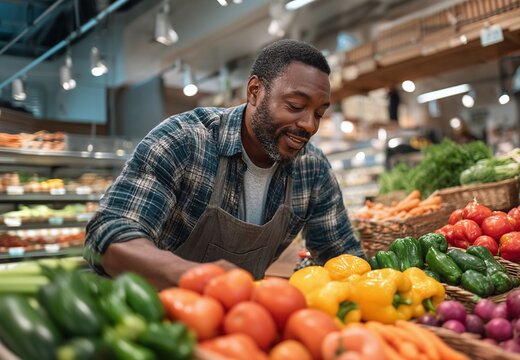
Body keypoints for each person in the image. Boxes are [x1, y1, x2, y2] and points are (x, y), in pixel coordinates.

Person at [84, 39, 365, 288]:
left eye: (319, 113)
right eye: (294, 106)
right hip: (152, 319)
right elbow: (109, 235)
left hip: (236, 323)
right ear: (255, 91)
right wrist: (196, 277)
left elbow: (341, 256)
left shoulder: (311, 169)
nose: (308, 125)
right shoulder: (185, 140)